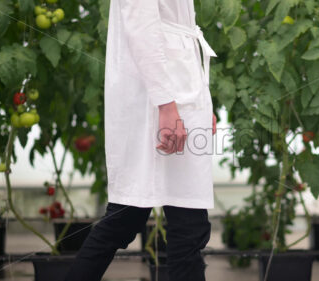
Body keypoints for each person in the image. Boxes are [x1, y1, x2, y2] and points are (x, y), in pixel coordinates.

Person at [64, 0, 217, 280]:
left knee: (170, 220)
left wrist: (201, 102)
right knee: (138, 217)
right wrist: (168, 106)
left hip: (176, 95)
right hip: (159, 101)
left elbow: (179, 27)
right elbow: (141, 27)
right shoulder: (165, 103)